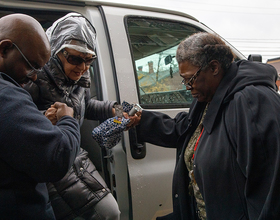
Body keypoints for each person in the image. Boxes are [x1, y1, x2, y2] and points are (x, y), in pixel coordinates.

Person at [134, 32, 280, 219]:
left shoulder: (252, 102)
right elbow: (185, 130)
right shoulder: (207, 96)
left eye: (191, 78)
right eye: (184, 79)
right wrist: (141, 120)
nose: (188, 87)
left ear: (214, 67)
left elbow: (270, 191)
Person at [24, 13, 120, 220]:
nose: (83, 67)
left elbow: (84, 106)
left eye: (89, 60)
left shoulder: (78, 79)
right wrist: (43, 119)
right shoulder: (34, 77)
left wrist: (114, 110)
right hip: (50, 160)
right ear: (55, 51)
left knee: (110, 212)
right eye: (75, 58)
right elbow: (15, 118)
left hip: (74, 153)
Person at [0, 14, 80, 219]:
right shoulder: (8, 94)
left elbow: (12, 130)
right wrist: (68, 120)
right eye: (31, 65)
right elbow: (57, 157)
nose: (34, 76)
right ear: (4, 49)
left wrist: (38, 121)